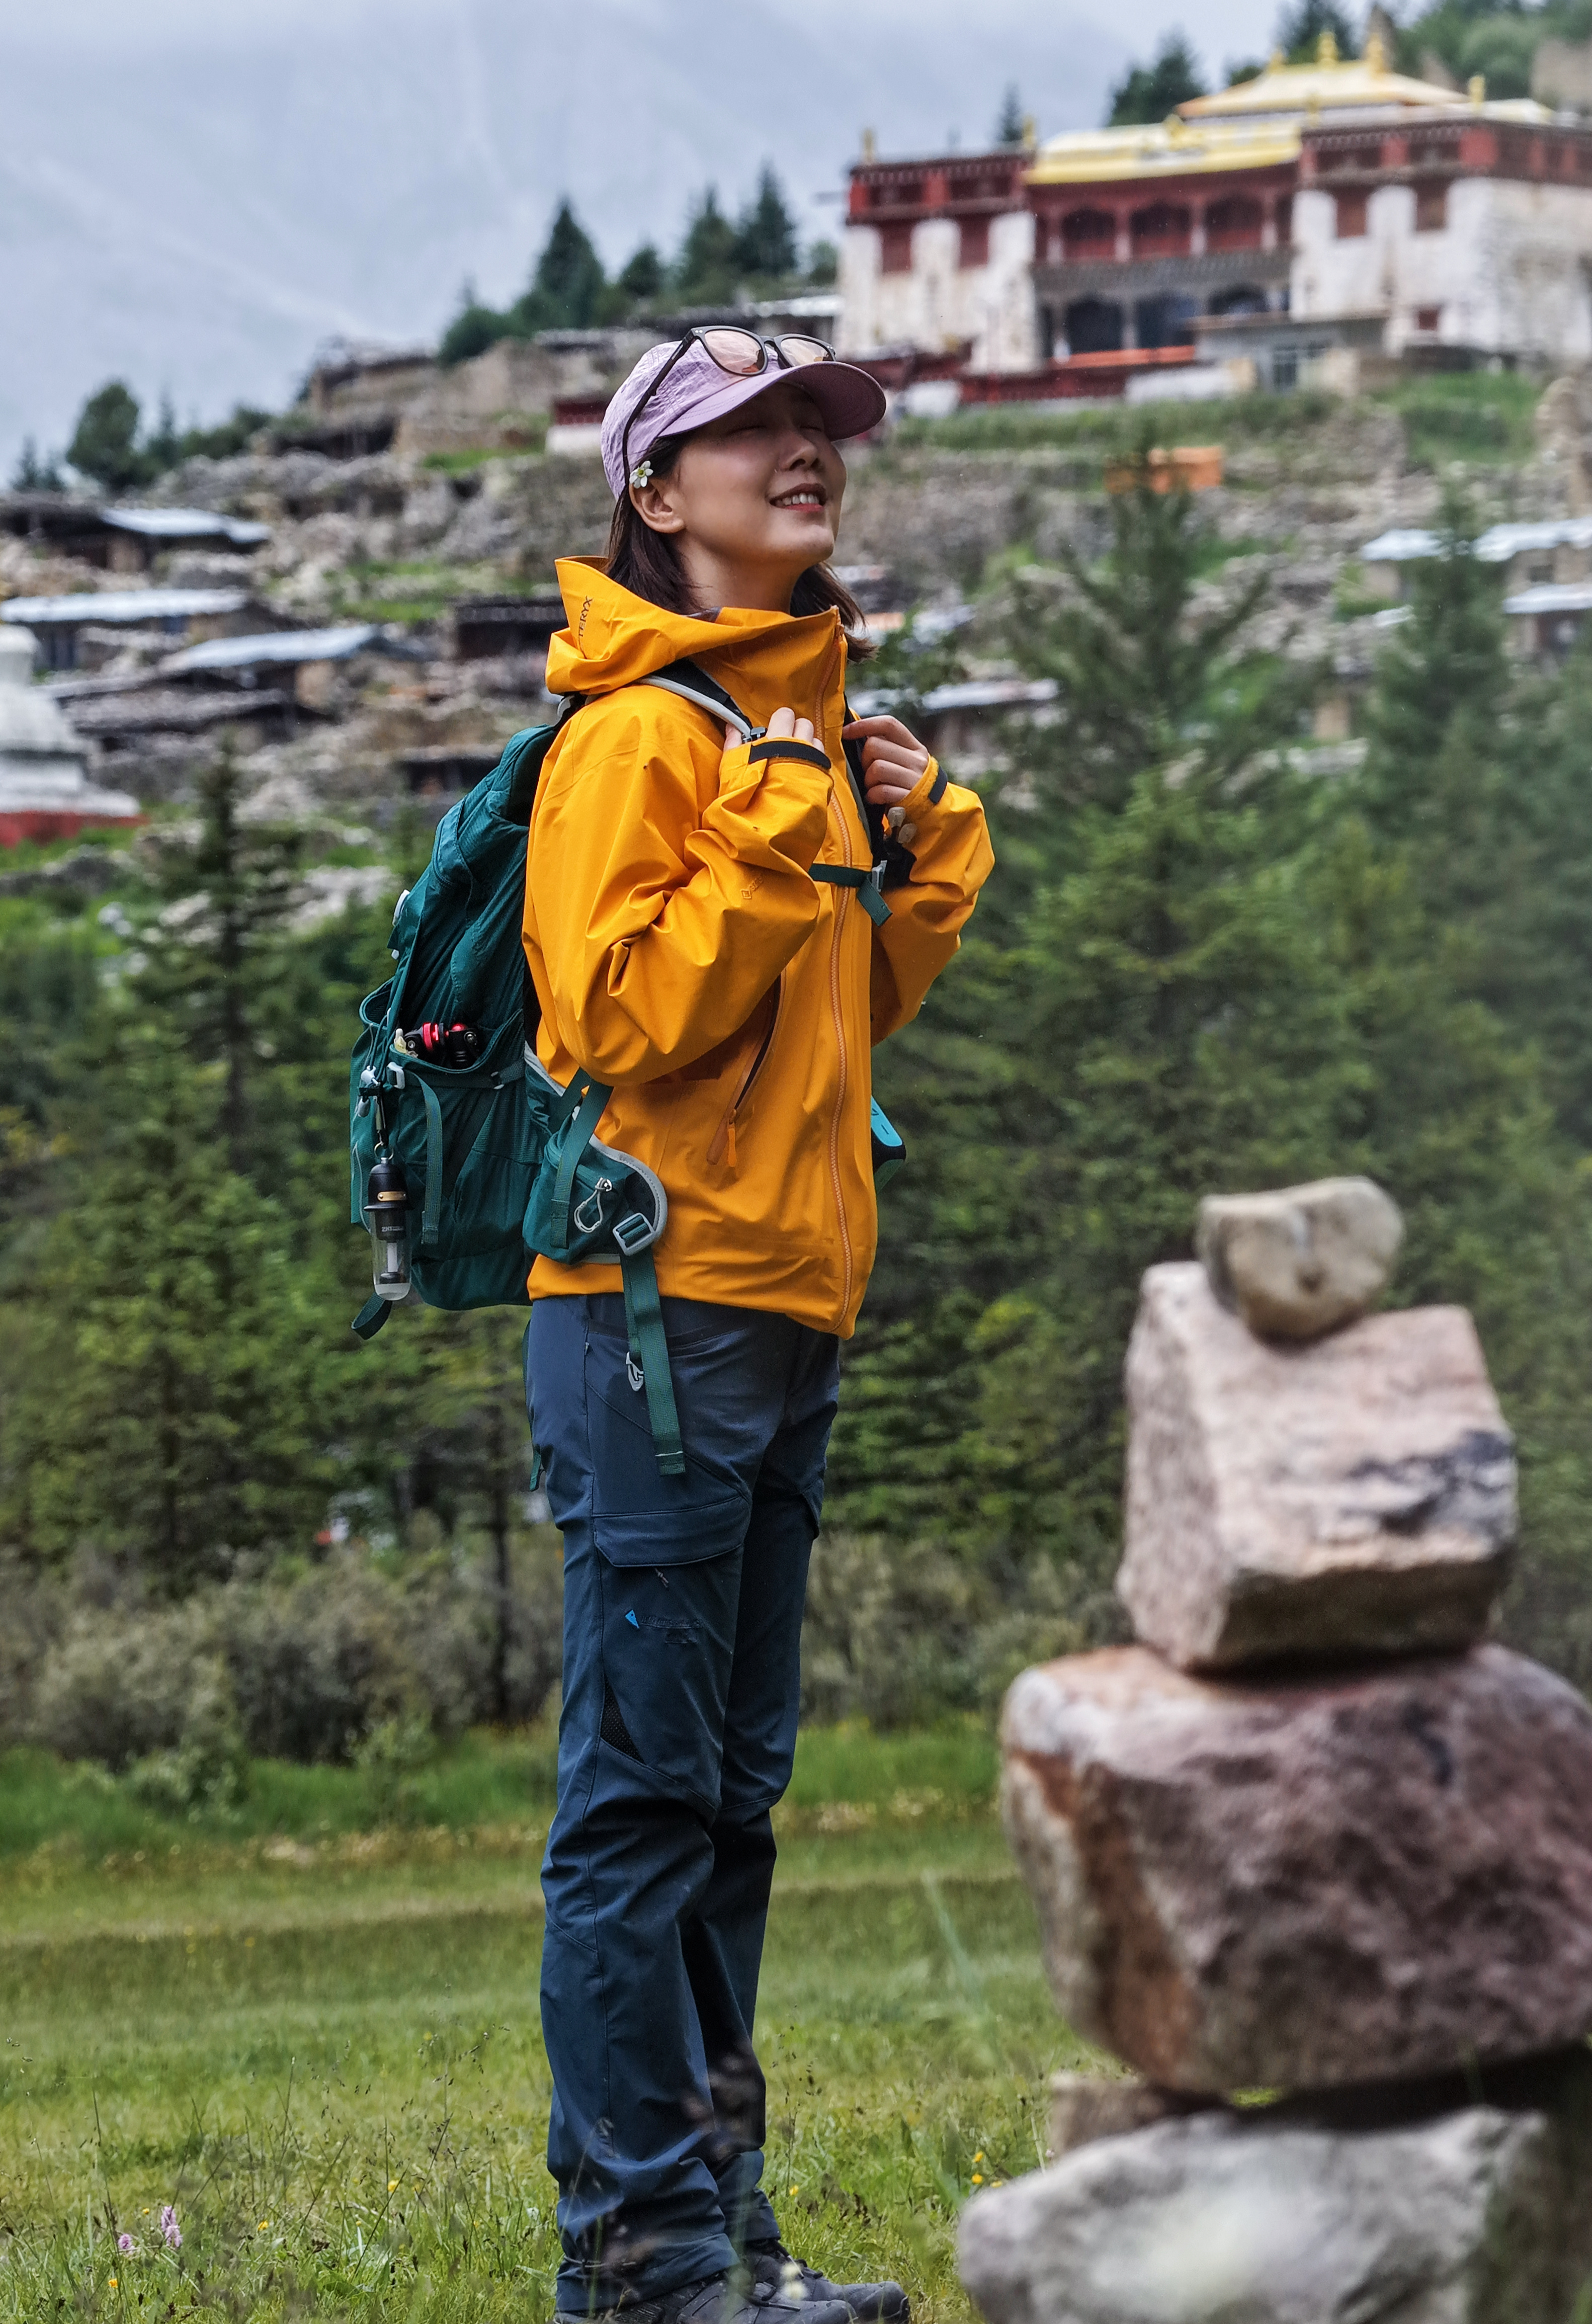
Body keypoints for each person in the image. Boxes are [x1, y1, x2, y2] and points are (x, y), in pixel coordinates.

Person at [523, 325, 994, 2324]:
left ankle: (726, 2238)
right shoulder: (640, 736)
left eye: (821, 430)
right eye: (754, 433)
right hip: (652, 1318)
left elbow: (826, 1032)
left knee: (726, 1801)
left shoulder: (785, 729)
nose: (809, 454)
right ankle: (638, 2257)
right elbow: (616, 1022)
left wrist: (922, 841)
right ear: (656, 493)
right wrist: (780, 821)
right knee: (639, 1802)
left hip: (780, 1307)